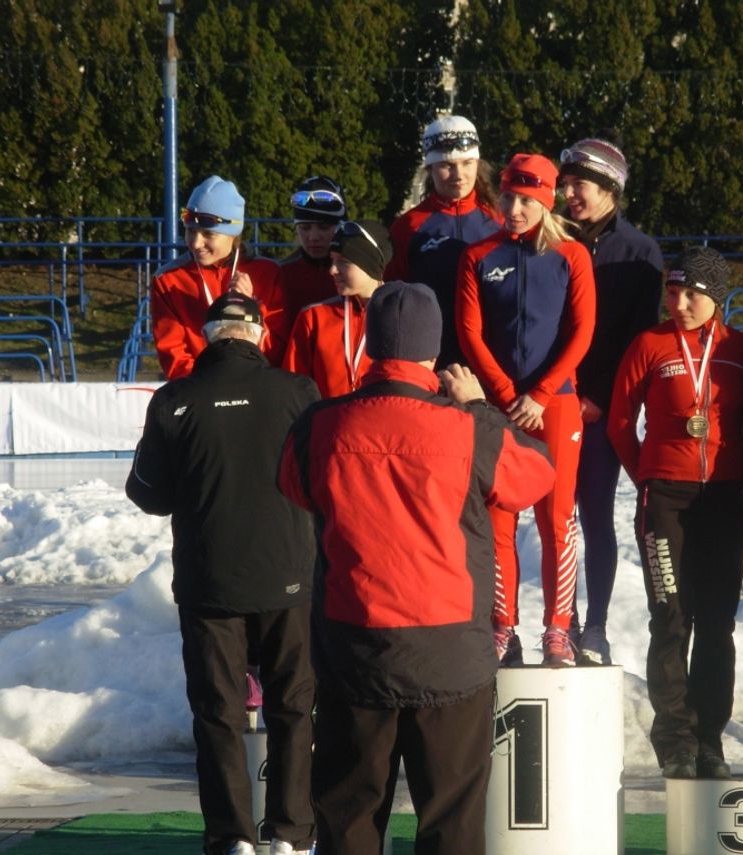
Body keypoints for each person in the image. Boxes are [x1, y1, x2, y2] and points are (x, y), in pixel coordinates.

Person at [278, 281, 555, 855]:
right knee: (450, 818)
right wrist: (478, 404)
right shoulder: (468, 427)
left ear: (373, 348)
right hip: (449, 651)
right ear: (432, 354)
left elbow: (293, 485)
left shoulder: (320, 424)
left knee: (349, 813)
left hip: (354, 645)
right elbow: (535, 477)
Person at [126, 291, 319, 855]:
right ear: (259, 335)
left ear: (206, 337)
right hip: (288, 577)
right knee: (293, 707)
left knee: (217, 714)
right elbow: (322, 476)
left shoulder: (173, 399)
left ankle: (231, 836)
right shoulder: (297, 393)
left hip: (209, 581)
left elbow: (148, 494)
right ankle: (290, 833)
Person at [607, 246, 743, 779]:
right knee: (671, 620)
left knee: (717, 624)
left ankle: (710, 738)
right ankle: (674, 740)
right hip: (664, 498)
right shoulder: (649, 344)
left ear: (716, 296)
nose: (681, 303)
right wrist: (646, 475)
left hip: (723, 497)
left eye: (693, 294)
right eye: (673, 292)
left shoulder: (741, 350)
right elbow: (621, 422)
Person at [456, 152, 596, 667]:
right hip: (498, 406)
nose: (514, 208)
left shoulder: (571, 256)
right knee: (497, 519)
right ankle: (502, 627)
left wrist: (538, 395)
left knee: (557, 518)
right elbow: (469, 332)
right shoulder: (479, 256)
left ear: (546, 202)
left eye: (527, 200)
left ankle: (558, 630)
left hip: (553, 403)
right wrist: (504, 394)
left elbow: (581, 332)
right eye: (509, 197)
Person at [558, 135, 664, 665]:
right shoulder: (549, 238)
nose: (568, 193)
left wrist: (599, 397)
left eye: (580, 184)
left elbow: (637, 338)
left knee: (595, 515)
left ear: (609, 189)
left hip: (602, 409)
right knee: (557, 519)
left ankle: (594, 625)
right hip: (552, 400)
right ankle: (562, 622)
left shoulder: (640, 251)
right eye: (567, 183)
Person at [386, 115, 501, 367]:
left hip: (492, 361)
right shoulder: (408, 226)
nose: (458, 174)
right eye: (447, 165)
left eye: (467, 163)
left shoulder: (499, 221)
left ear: (478, 164)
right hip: (430, 360)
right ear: (430, 169)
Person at [152, 175, 290, 379]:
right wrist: (207, 391)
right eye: (191, 231)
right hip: (201, 393)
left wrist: (252, 309)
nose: (196, 243)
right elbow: (173, 354)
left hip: (256, 389)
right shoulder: (168, 279)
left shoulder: (268, 273)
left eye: (208, 234)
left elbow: (277, 348)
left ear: (233, 233)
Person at [282, 221, 392, 398]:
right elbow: (293, 390)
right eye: (332, 260)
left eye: (343, 262)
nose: (332, 270)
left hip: (381, 422)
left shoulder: (401, 316)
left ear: (369, 266)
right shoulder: (314, 318)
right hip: (326, 424)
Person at [277, 175, 345, 320]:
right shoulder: (281, 275)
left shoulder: (356, 275)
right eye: (305, 227)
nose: (313, 236)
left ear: (341, 227)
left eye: (324, 227)